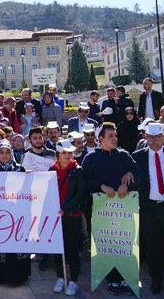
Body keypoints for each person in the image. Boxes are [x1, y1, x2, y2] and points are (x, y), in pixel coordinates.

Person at [81, 123, 140, 295]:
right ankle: (112, 278)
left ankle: (125, 277)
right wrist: (100, 186)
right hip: (100, 211)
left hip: (123, 211)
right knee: (105, 244)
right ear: (101, 139)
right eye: (110, 136)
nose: (115, 139)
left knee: (124, 243)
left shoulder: (123, 155)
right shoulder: (91, 158)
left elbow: (138, 172)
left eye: (115, 135)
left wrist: (129, 177)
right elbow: (84, 181)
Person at [131, 122, 164, 295]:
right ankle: (156, 280)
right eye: (150, 137)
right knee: (153, 245)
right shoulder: (137, 156)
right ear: (145, 137)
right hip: (149, 207)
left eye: (157, 137)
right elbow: (129, 171)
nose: (153, 140)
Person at [0, 140, 30, 285]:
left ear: (11, 153)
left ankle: (18, 276)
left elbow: (26, 191)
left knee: (15, 244)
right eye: (1, 153)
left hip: (16, 214)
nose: (4, 156)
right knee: (0, 244)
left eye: (7, 152)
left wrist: (30, 178)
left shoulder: (20, 169)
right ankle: (0, 275)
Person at [49, 140, 84, 296]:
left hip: (72, 215)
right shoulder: (51, 170)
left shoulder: (78, 170)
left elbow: (80, 194)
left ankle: (74, 280)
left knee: (71, 248)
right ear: (58, 154)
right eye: (64, 153)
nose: (68, 155)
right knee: (58, 247)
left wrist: (65, 208)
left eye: (70, 153)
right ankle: (60, 276)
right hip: (56, 215)